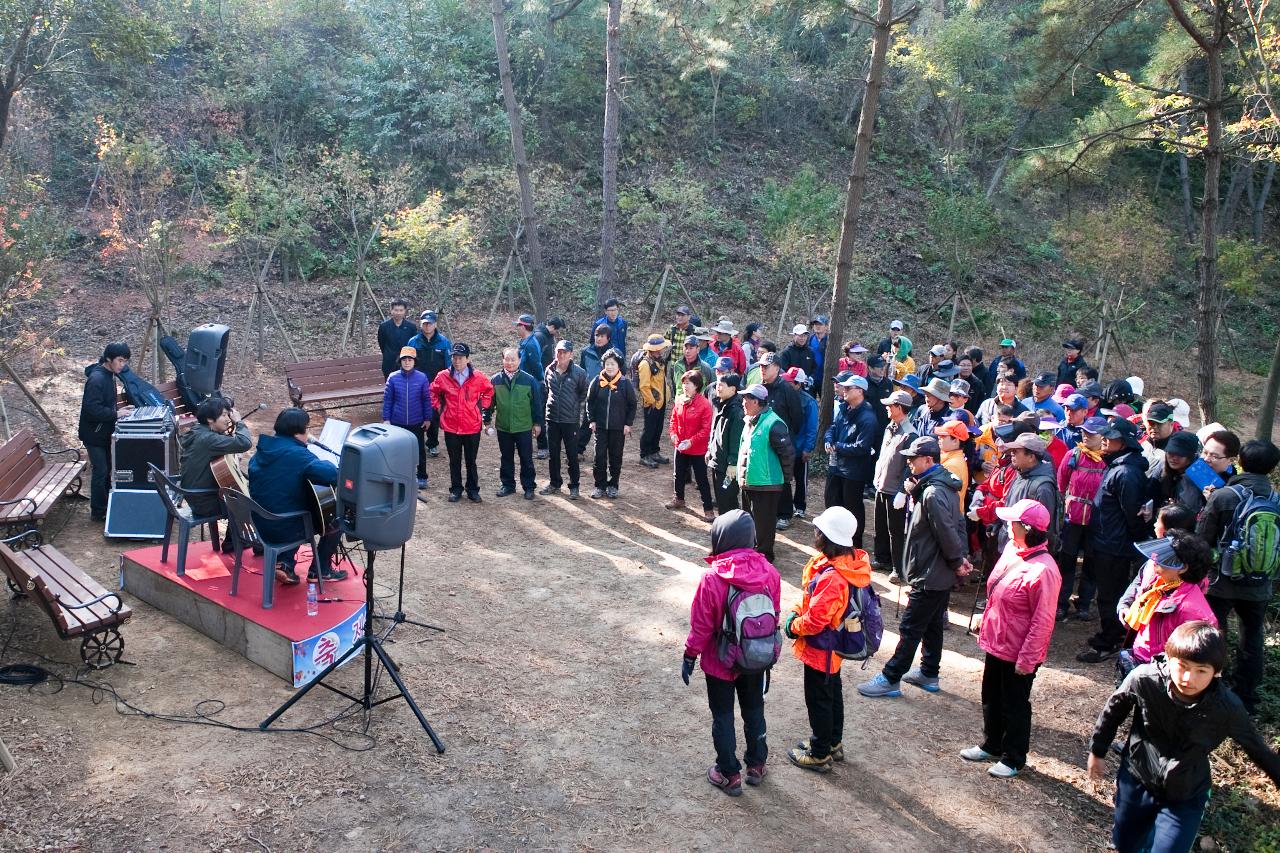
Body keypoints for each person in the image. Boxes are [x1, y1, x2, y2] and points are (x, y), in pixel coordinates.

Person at [1088, 622, 1280, 853]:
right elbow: (1113, 710)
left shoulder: (1226, 707)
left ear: (1216, 672)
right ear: (1168, 658)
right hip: (1137, 778)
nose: (1189, 678)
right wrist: (1097, 750)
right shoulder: (1144, 679)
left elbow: (1257, 748)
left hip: (1186, 794)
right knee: (1125, 843)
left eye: (1201, 670)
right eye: (1182, 666)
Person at [858, 436, 971, 698]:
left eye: (913, 459)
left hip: (931, 571)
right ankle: (929, 672)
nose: (908, 463)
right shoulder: (940, 486)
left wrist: (957, 560)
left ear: (928, 460)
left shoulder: (933, 492)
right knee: (932, 624)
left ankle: (890, 677)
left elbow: (946, 530)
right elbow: (958, 524)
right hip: (937, 569)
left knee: (911, 627)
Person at [682, 510, 781, 796]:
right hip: (756, 657)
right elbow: (773, 615)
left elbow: (701, 626)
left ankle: (728, 773)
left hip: (720, 662)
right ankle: (757, 764)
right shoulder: (770, 573)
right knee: (754, 710)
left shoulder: (712, 579)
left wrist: (690, 655)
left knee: (723, 715)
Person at [961, 498, 1061, 779]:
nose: (1007, 525)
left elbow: (1043, 621)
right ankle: (991, 743)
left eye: (1012, 522)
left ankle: (1014, 757)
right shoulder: (1011, 550)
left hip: (1019, 651)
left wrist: (1027, 659)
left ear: (1026, 528)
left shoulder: (1045, 571)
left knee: (1015, 703)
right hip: (997, 641)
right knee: (991, 695)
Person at [783, 506, 872, 773]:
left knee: (819, 700)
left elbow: (815, 621)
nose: (815, 533)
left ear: (828, 537)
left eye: (818, 531)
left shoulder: (834, 578)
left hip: (821, 649)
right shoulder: (848, 563)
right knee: (832, 693)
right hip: (833, 649)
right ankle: (833, 742)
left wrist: (792, 626)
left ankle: (820, 752)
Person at [1197, 438, 1280, 714]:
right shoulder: (1276, 500)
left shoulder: (1225, 496)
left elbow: (1203, 540)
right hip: (1260, 583)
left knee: (1212, 631)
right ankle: (1246, 697)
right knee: (1252, 636)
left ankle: (1210, 687)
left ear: (1239, 462)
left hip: (1222, 580)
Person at [1078, 418, 1151, 662]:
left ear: (1126, 442)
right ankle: (1110, 634)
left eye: (1112, 436)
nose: (1106, 439)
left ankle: (1111, 639)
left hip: (1114, 545)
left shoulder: (1126, 472)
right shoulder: (1118, 466)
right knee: (1107, 593)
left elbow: (1132, 514)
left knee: (1111, 595)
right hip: (1107, 541)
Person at [247, 407, 347, 585]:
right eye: (307, 429)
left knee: (286, 502)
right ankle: (320, 570)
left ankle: (285, 564)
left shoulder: (262, 451)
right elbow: (331, 475)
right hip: (283, 527)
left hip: (259, 524)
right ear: (296, 432)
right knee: (337, 517)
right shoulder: (298, 455)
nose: (308, 433)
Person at [1116, 532, 1217, 677]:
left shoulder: (1191, 611)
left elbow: (1195, 660)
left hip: (1159, 675)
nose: (1156, 558)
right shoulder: (1161, 586)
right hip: (1142, 663)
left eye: (1166, 557)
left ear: (1182, 568)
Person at [178, 395, 252, 550]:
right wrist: (239, 423)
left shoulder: (198, 430)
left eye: (228, 414)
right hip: (205, 502)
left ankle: (236, 539)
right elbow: (244, 443)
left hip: (194, 495)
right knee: (252, 497)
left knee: (244, 489)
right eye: (224, 415)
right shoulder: (208, 439)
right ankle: (241, 541)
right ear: (210, 419)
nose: (228, 418)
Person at [1056, 416, 1108, 621]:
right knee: (1067, 561)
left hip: (1096, 521)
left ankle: (1084, 604)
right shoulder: (1073, 455)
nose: (1085, 436)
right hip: (1073, 518)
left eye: (1091, 433)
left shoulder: (1108, 459)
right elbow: (1061, 483)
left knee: (1091, 563)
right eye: (1084, 432)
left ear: (1103, 436)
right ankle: (1061, 604)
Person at [736, 384, 795, 564]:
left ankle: (764, 558)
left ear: (756, 401)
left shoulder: (773, 423)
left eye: (746, 399)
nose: (743, 402)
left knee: (764, 525)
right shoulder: (749, 421)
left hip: (767, 484)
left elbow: (787, 454)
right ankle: (752, 553)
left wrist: (784, 480)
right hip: (749, 481)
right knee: (750, 521)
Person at [429, 343, 494, 503]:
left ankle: (472, 490)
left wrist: (482, 408)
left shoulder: (478, 377)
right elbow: (432, 392)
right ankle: (456, 489)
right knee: (454, 460)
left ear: (468, 359)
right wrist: (440, 408)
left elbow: (489, 391)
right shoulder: (443, 376)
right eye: (454, 358)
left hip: (472, 426)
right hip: (451, 426)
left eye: (460, 358)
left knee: (471, 460)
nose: (457, 361)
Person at [823, 374, 878, 549]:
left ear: (860, 391)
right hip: (836, 467)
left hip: (854, 472)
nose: (843, 390)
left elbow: (862, 447)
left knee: (852, 508)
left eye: (848, 388)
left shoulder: (868, 418)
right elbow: (833, 427)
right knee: (832, 502)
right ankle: (832, 540)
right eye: (843, 387)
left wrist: (837, 446)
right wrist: (829, 439)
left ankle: (854, 544)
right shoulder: (844, 408)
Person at [79, 342, 131, 521]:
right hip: (93, 434)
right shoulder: (97, 379)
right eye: (120, 360)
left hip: (103, 432)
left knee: (108, 468)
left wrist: (122, 411)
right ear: (109, 359)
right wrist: (116, 413)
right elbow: (91, 409)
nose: (122, 365)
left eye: (125, 361)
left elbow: (105, 403)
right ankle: (98, 511)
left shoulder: (109, 375)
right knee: (101, 470)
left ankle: (108, 503)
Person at [485, 347, 543, 500]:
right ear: (502, 360)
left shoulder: (529, 380)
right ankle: (507, 485)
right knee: (506, 457)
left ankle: (529, 486)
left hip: (523, 426)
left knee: (526, 458)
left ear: (519, 360)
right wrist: (487, 421)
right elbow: (489, 403)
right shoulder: (495, 380)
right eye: (507, 359)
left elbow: (536, 404)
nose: (510, 362)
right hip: (504, 426)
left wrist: (537, 423)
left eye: (513, 359)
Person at [872, 389, 918, 580]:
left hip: (895, 491)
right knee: (880, 526)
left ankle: (898, 568)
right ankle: (882, 558)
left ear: (899, 408)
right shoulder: (890, 427)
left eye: (890, 405)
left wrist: (902, 491)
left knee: (896, 531)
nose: (887, 408)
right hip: (881, 486)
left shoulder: (910, 434)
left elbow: (910, 467)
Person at [759, 353, 806, 529]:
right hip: (761, 440)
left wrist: (784, 436)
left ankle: (784, 514)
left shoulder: (787, 390)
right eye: (761, 366)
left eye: (766, 366)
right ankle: (766, 511)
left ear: (777, 368)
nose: (762, 369)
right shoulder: (759, 388)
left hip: (782, 442)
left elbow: (797, 419)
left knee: (782, 478)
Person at [585, 350, 637, 499]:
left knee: (615, 457)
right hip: (600, 427)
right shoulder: (597, 381)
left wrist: (628, 423)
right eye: (607, 364)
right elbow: (590, 402)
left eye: (612, 364)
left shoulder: (624, 383)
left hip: (618, 428)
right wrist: (592, 420)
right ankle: (600, 486)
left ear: (618, 366)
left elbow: (632, 405)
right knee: (599, 457)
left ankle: (613, 485)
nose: (609, 367)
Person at [541, 341, 588, 499]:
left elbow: (584, 394)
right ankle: (555, 483)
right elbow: (547, 391)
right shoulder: (549, 369)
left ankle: (574, 486)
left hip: (570, 420)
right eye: (559, 352)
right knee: (553, 454)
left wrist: (576, 410)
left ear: (571, 354)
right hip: (552, 418)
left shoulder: (579, 373)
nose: (561, 355)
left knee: (572, 454)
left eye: (565, 352)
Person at [998, 433, 1060, 553]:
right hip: (1011, 546)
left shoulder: (1043, 488)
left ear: (1031, 457)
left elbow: (1043, 530)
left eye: (1016, 451)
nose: (1012, 454)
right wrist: (999, 524)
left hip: (1025, 554)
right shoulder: (1020, 475)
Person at [382, 346, 434, 489]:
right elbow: (388, 400)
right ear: (400, 361)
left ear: (414, 361)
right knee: (398, 450)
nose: (407, 362)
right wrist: (386, 418)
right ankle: (398, 476)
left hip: (416, 421)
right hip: (397, 422)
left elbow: (426, 399)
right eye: (404, 359)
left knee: (419, 450)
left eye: (410, 359)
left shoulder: (422, 378)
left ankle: (422, 476)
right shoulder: (393, 377)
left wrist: (427, 418)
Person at [666, 372, 716, 520]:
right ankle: (679, 499)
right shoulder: (680, 400)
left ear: (697, 386)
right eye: (684, 383)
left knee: (701, 479)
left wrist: (691, 441)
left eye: (688, 383)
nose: (685, 386)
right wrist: (674, 434)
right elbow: (673, 420)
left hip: (697, 449)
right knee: (678, 474)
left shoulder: (704, 404)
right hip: (680, 445)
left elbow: (705, 429)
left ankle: (708, 508)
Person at [408, 311, 451, 458]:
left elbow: (448, 365)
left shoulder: (444, 342)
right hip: (417, 385)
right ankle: (416, 443)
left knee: (433, 416)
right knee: (416, 414)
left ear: (435, 324)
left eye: (430, 323)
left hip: (436, 386)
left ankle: (432, 443)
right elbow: (407, 363)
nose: (427, 326)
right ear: (421, 324)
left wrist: (447, 384)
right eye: (425, 323)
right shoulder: (413, 342)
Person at [706, 374, 744, 513]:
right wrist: (710, 449)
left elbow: (736, 438)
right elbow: (714, 429)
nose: (718, 388)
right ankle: (723, 527)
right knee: (721, 499)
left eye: (722, 385)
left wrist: (733, 463)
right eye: (717, 385)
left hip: (728, 464)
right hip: (718, 460)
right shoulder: (720, 404)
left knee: (728, 499)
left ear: (733, 389)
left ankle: (731, 530)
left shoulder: (736, 411)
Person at [785, 368, 819, 518]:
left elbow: (812, 427)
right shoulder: (784, 396)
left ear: (798, 384)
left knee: (800, 479)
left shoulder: (809, 402)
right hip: (785, 447)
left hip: (799, 449)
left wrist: (807, 448)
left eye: (789, 382)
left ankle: (800, 506)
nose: (786, 384)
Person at [1148, 430, 1204, 515]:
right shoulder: (1163, 465)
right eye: (1170, 453)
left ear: (1191, 456)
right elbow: (1151, 492)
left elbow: (1191, 511)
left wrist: (1173, 510)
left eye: (1180, 454)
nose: (1174, 458)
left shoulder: (1200, 472)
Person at [637, 335, 672, 469]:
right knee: (649, 429)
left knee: (658, 428)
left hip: (661, 401)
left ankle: (654, 451)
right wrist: (651, 401)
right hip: (652, 403)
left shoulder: (659, 361)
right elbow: (644, 386)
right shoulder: (645, 364)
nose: (662, 350)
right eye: (660, 348)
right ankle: (644, 455)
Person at [578, 324, 613, 455]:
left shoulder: (614, 353)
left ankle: (605, 452)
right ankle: (578, 449)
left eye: (602, 336)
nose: (598, 338)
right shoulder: (586, 351)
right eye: (597, 335)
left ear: (608, 338)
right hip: (591, 392)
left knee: (607, 423)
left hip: (609, 393)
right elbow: (582, 371)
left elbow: (621, 371)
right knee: (587, 421)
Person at [377, 298, 417, 378]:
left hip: (406, 362)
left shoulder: (411, 327)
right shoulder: (384, 327)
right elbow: (382, 344)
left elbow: (413, 344)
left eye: (401, 310)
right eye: (396, 310)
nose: (398, 313)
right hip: (389, 363)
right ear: (391, 310)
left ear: (405, 311)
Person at [936, 419, 971, 508]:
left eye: (943, 436)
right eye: (939, 436)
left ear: (955, 441)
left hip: (947, 518)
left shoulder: (952, 466)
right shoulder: (952, 460)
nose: (939, 438)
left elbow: (943, 499)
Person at [778, 325, 818, 394]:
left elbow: (814, 367)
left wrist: (811, 378)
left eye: (805, 336)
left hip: (807, 389)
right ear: (794, 336)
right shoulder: (786, 352)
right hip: (791, 388)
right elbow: (783, 371)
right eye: (800, 336)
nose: (802, 338)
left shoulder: (810, 351)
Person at [514, 314, 543, 391]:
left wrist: (540, 380)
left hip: (529, 386)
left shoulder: (531, 345)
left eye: (518, 325)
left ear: (523, 327)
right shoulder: (524, 342)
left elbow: (536, 366)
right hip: (523, 383)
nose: (516, 328)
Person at [808, 315, 830, 379]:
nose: (817, 326)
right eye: (815, 324)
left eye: (820, 324)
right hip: (811, 376)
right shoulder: (809, 339)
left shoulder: (829, 341)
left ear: (826, 326)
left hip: (824, 377)